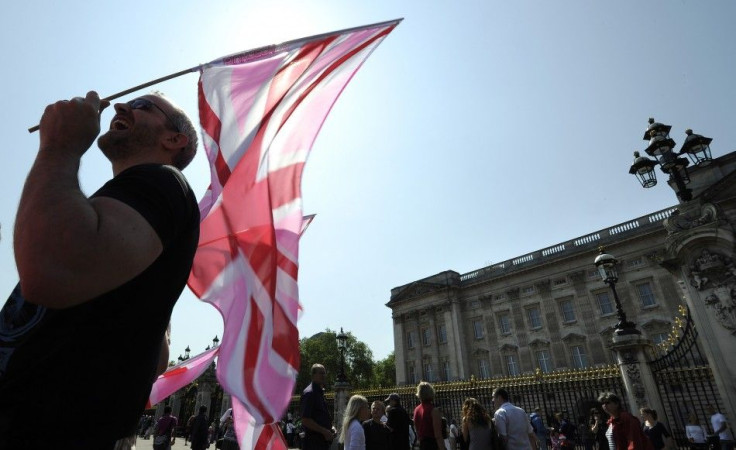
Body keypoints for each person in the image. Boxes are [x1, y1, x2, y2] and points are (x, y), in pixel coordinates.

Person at [0, 91, 200, 449]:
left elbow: (51, 267)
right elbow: (155, 357)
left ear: (173, 139)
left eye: (141, 106)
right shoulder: (133, 199)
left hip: (42, 431)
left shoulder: (162, 181)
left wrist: (60, 145)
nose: (121, 106)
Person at [301, 364, 336, 449]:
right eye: (321, 373)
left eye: (324, 373)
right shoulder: (310, 393)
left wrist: (331, 428)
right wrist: (324, 431)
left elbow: (322, 416)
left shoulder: (320, 393)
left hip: (322, 442)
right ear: (313, 375)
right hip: (313, 443)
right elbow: (305, 420)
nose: (323, 375)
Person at [413, 381, 445, 450]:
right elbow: (438, 435)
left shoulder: (416, 410)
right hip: (432, 444)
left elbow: (417, 430)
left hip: (422, 444)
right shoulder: (434, 410)